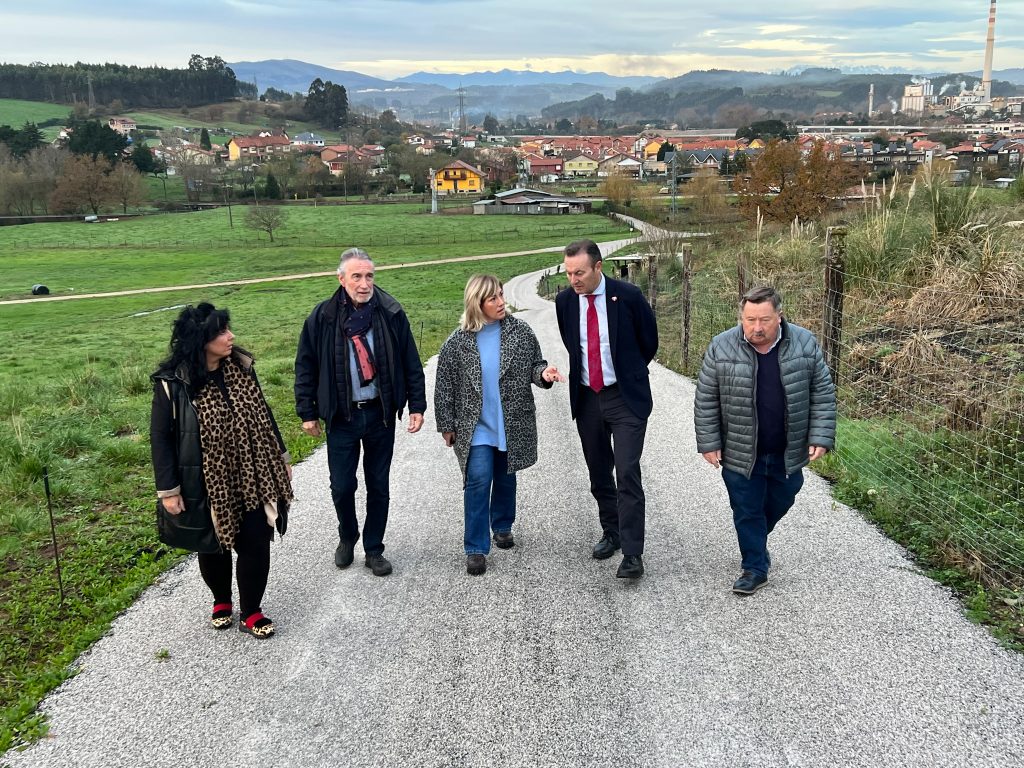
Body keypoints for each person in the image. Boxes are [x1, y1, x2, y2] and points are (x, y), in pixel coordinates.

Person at [150, 303, 293, 639]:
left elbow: (263, 413)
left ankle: (252, 610)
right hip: (204, 480)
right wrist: (169, 491)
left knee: (256, 541)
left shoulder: (241, 367)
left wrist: (282, 457)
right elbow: (161, 439)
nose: (230, 337)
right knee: (213, 543)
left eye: (228, 329)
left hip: (253, 472)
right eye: (220, 332)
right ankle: (221, 600)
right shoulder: (174, 383)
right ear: (200, 340)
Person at [694, 286, 836, 595]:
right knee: (746, 508)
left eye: (765, 320)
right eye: (750, 320)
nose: (757, 328)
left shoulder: (804, 343)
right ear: (741, 317)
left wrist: (821, 435)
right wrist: (708, 442)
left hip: (787, 449)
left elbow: (823, 393)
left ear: (779, 316)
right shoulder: (721, 346)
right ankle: (755, 567)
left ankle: (755, 539)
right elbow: (706, 399)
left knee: (785, 495)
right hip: (740, 450)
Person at [295, 247, 426, 576]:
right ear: (341, 279)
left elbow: (411, 360)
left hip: (380, 415)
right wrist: (307, 411)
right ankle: (347, 535)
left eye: (369, 276)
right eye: (357, 276)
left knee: (378, 484)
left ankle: (373, 548)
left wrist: (417, 405)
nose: (364, 283)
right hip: (342, 416)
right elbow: (305, 366)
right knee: (341, 485)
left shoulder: (390, 312)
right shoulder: (322, 317)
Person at [434, 275, 564, 575]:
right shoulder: (457, 342)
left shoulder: (520, 332)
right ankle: (476, 548)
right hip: (475, 425)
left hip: (510, 420)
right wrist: (446, 424)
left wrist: (543, 375)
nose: (501, 302)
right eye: (493, 298)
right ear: (477, 303)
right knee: (478, 479)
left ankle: (503, 525)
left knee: (506, 475)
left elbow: (535, 365)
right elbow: (445, 386)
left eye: (502, 295)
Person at [555, 239, 659, 579]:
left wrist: (626, 373)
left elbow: (649, 342)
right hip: (587, 397)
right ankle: (611, 532)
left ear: (599, 267)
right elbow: (573, 345)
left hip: (624, 397)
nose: (574, 279)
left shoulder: (627, 297)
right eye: (569, 273)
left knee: (627, 471)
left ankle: (632, 553)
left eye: (580, 272)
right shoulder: (565, 302)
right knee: (599, 471)